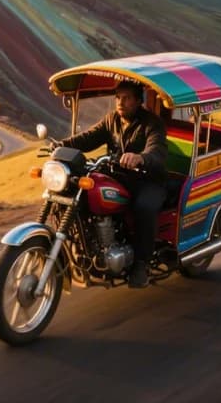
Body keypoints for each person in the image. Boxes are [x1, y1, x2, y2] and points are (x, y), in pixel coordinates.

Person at [56, 80, 167, 287]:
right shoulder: (112, 119)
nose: (120, 102)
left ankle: (141, 264)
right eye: (117, 98)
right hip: (119, 176)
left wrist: (141, 157)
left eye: (126, 98)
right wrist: (61, 145)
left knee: (144, 207)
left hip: (146, 179)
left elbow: (157, 151)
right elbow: (89, 138)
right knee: (81, 192)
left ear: (137, 100)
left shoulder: (152, 123)